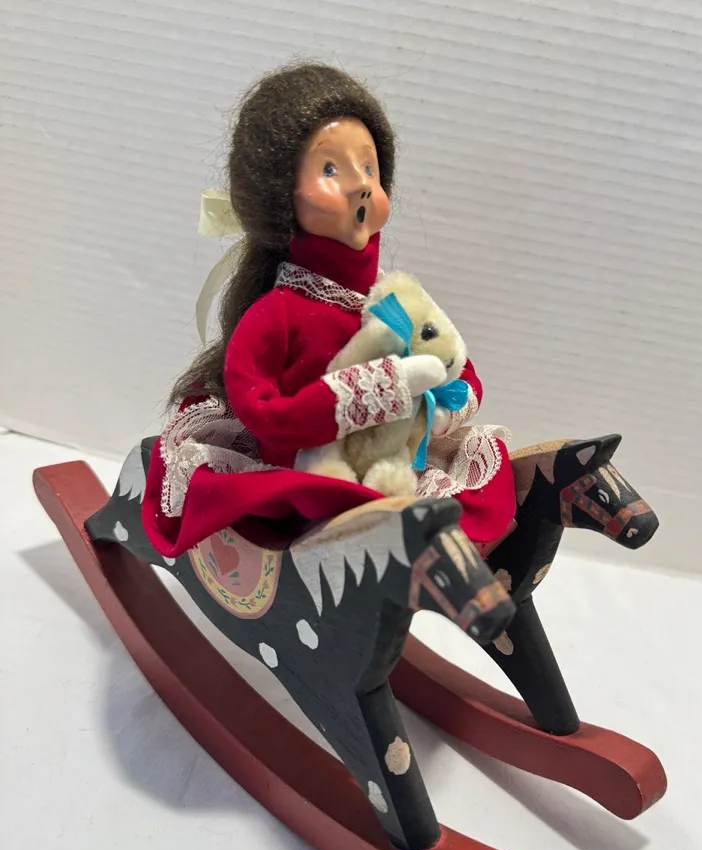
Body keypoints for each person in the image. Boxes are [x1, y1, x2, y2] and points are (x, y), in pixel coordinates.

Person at [141, 61, 515, 556]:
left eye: (369, 168)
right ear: (281, 197)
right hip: (310, 468)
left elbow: (454, 362)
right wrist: (362, 396)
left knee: (482, 460)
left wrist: (434, 408)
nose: (360, 185)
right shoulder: (276, 315)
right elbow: (263, 411)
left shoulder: (394, 297)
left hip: (392, 460)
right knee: (334, 497)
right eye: (330, 170)